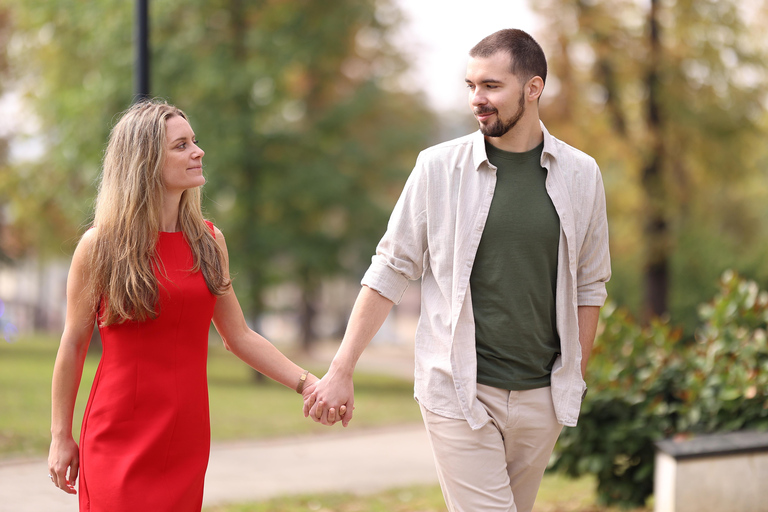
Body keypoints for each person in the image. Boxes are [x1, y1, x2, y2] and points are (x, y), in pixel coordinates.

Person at [305, 29, 611, 512]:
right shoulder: (437, 169)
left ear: (533, 88)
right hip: (458, 390)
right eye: (470, 86)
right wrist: (341, 369)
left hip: (541, 397)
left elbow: (590, 285)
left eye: (491, 86)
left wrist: (572, 376)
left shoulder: (581, 174)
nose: (477, 100)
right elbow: (389, 268)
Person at [47, 100, 343, 511]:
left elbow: (238, 335)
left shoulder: (208, 242)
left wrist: (310, 384)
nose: (197, 151)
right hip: (117, 435)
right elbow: (73, 343)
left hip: (185, 436)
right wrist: (60, 435)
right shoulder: (100, 246)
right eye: (181, 145)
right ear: (146, 161)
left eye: (195, 142)